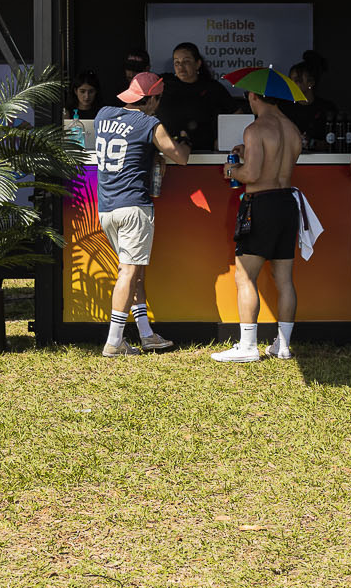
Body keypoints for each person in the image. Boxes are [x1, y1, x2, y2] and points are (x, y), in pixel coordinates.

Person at [93, 72, 190, 356]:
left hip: (107, 208)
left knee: (135, 271)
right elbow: (180, 157)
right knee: (129, 271)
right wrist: (184, 139)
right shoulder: (149, 123)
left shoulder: (103, 114)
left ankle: (147, 334)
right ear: (151, 99)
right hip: (134, 207)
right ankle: (114, 341)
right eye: (157, 100)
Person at [213, 87, 305, 362]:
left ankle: (248, 345)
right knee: (284, 279)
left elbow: (251, 174)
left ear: (253, 97)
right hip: (287, 203)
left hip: (260, 205)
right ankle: (284, 345)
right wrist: (250, 153)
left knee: (244, 275)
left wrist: (232, 170)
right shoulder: (292, 129)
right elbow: (279, 164)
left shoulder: (255, 129)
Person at [156, 43, 238, 151]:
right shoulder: (163, 83)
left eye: (186, 61)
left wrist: (224, 139)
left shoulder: (211, 87)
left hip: (203, 153)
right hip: (167, 152)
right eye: (177, 62)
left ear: (198, 64)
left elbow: (237, 113)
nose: (181, 67)